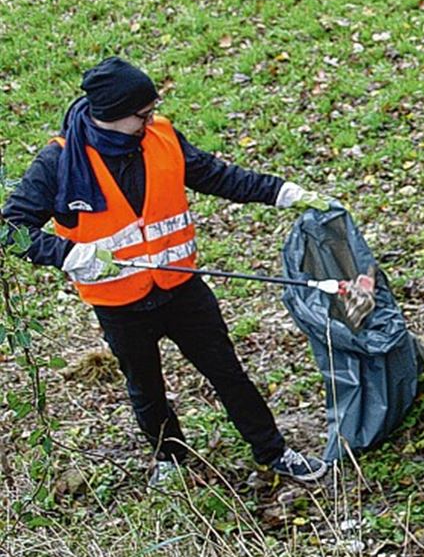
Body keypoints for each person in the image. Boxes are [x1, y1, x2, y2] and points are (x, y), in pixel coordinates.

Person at [2, 56, 331, 487]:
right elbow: (11, 229)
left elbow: (217, 176)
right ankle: (170, 458)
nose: (150, 119)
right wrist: (69, 254)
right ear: (112, 114)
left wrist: (281, 192)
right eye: (143, 114)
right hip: (120, 304)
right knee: (146, 388)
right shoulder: (58, 162)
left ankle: (273, 451)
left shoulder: (161, 136)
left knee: (227, 372)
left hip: (181, 289)